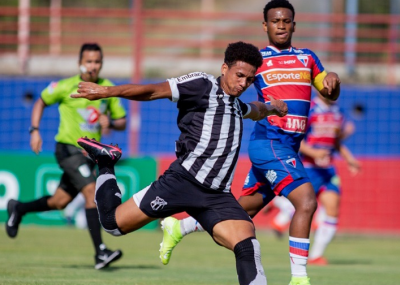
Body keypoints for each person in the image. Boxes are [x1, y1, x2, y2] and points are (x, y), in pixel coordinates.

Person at [72, 41, 288, 285]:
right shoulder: (202, 85)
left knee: (248, 246)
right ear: (224, 67)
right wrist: (106, 91)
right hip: (182, 182)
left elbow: (256, 110)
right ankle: (105, 162)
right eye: (239, 76)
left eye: (249, 80)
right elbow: (153, 90)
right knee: (111, 224)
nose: (243, 84)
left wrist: (272, 108)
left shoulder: (236, 105)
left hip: (218, 195)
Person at [159, 1, 341, 284]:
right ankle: (300, 278)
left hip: (288, 148)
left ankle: (180, 227)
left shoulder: (308, 58)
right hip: (268, 143)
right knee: (306, 201)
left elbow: (329, 93)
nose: (281, 25)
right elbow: (230, 84)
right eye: (275, 21)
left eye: (286, 20)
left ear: (294, 24)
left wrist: (333, 79)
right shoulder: (259, 59)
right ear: (265, 25)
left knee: (244, 210)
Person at [5, 43, 127, 270]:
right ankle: (100, 253)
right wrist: (34, 131)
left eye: (97, 62)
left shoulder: (107, 88)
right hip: (68, 150)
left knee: (59, 202)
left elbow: (122, 121)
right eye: (89, 61)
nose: (93, 66)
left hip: (89, 155)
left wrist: (109, 122)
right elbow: (41, 101)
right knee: (92, 193)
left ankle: (18, 209)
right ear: (80, 62)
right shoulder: (66, 86)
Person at [269, 93, 361, 265]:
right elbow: (296, 139)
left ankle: (316, 255)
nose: (334, 92)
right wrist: (314, 153)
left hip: (328, 170)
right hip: (308, 167)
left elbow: (336, 142)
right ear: (320, 90)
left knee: (333, 208)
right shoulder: (309, 110)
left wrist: (349, 159)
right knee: (303, 206)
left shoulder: (338, 113)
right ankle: (278, 202)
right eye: (329, 88)